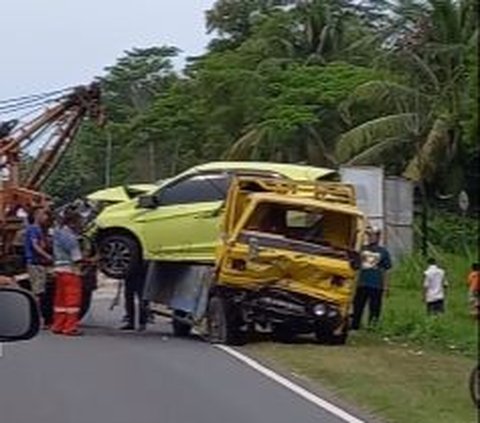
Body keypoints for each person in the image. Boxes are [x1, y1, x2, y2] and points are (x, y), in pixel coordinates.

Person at [50, 209, 85, 336]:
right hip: (70, 271)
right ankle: (70, 327)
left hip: (59, 271)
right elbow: (77, 258)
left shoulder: (58, 233)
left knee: (60, 301)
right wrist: (92, 260)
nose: (82, 224)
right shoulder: (70, 237)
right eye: (80, 221)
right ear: (73, 222)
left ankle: (58, 325)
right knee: (72, 301)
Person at [351, 226, 392, 330]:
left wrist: (386, 286)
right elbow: (355, 265)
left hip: (376, 283)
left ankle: (373, 325)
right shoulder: (362, 249)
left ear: (378, 237)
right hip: (362, 282)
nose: (370, 238)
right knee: (358, 305)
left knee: (375, 306)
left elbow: (387, 269)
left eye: (373, 235)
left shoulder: (383, 251)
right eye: (369, 235)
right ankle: (355, 324)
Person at [24, 207, 53, 325]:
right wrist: (47, 256)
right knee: (37, 291)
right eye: (43, 214)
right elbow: (35, 245)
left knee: (41, 291)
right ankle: (36, 317)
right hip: (34, 263)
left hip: (39, 263)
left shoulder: (40, 230)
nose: (46, 217)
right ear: (36, 215)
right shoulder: (32, 229)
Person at [121, 265, 149, 332]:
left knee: (142, 299)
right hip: (130, 274)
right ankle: (132, 322)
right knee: (129, 298)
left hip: (140, 274)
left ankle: (141, 322)